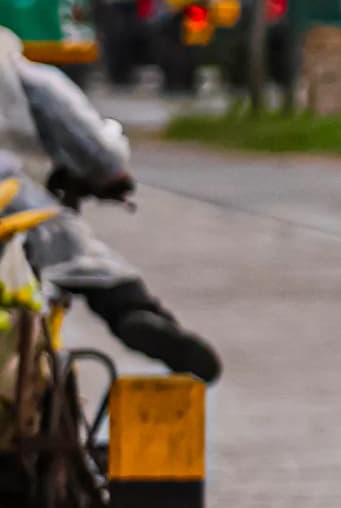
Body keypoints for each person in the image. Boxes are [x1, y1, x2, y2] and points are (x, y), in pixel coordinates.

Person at [0, 33, 221, 382]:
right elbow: (89, 142)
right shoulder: (13, 67)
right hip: (11, 204)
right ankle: (134, 313)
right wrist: (109, 173)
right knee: (80, 256)